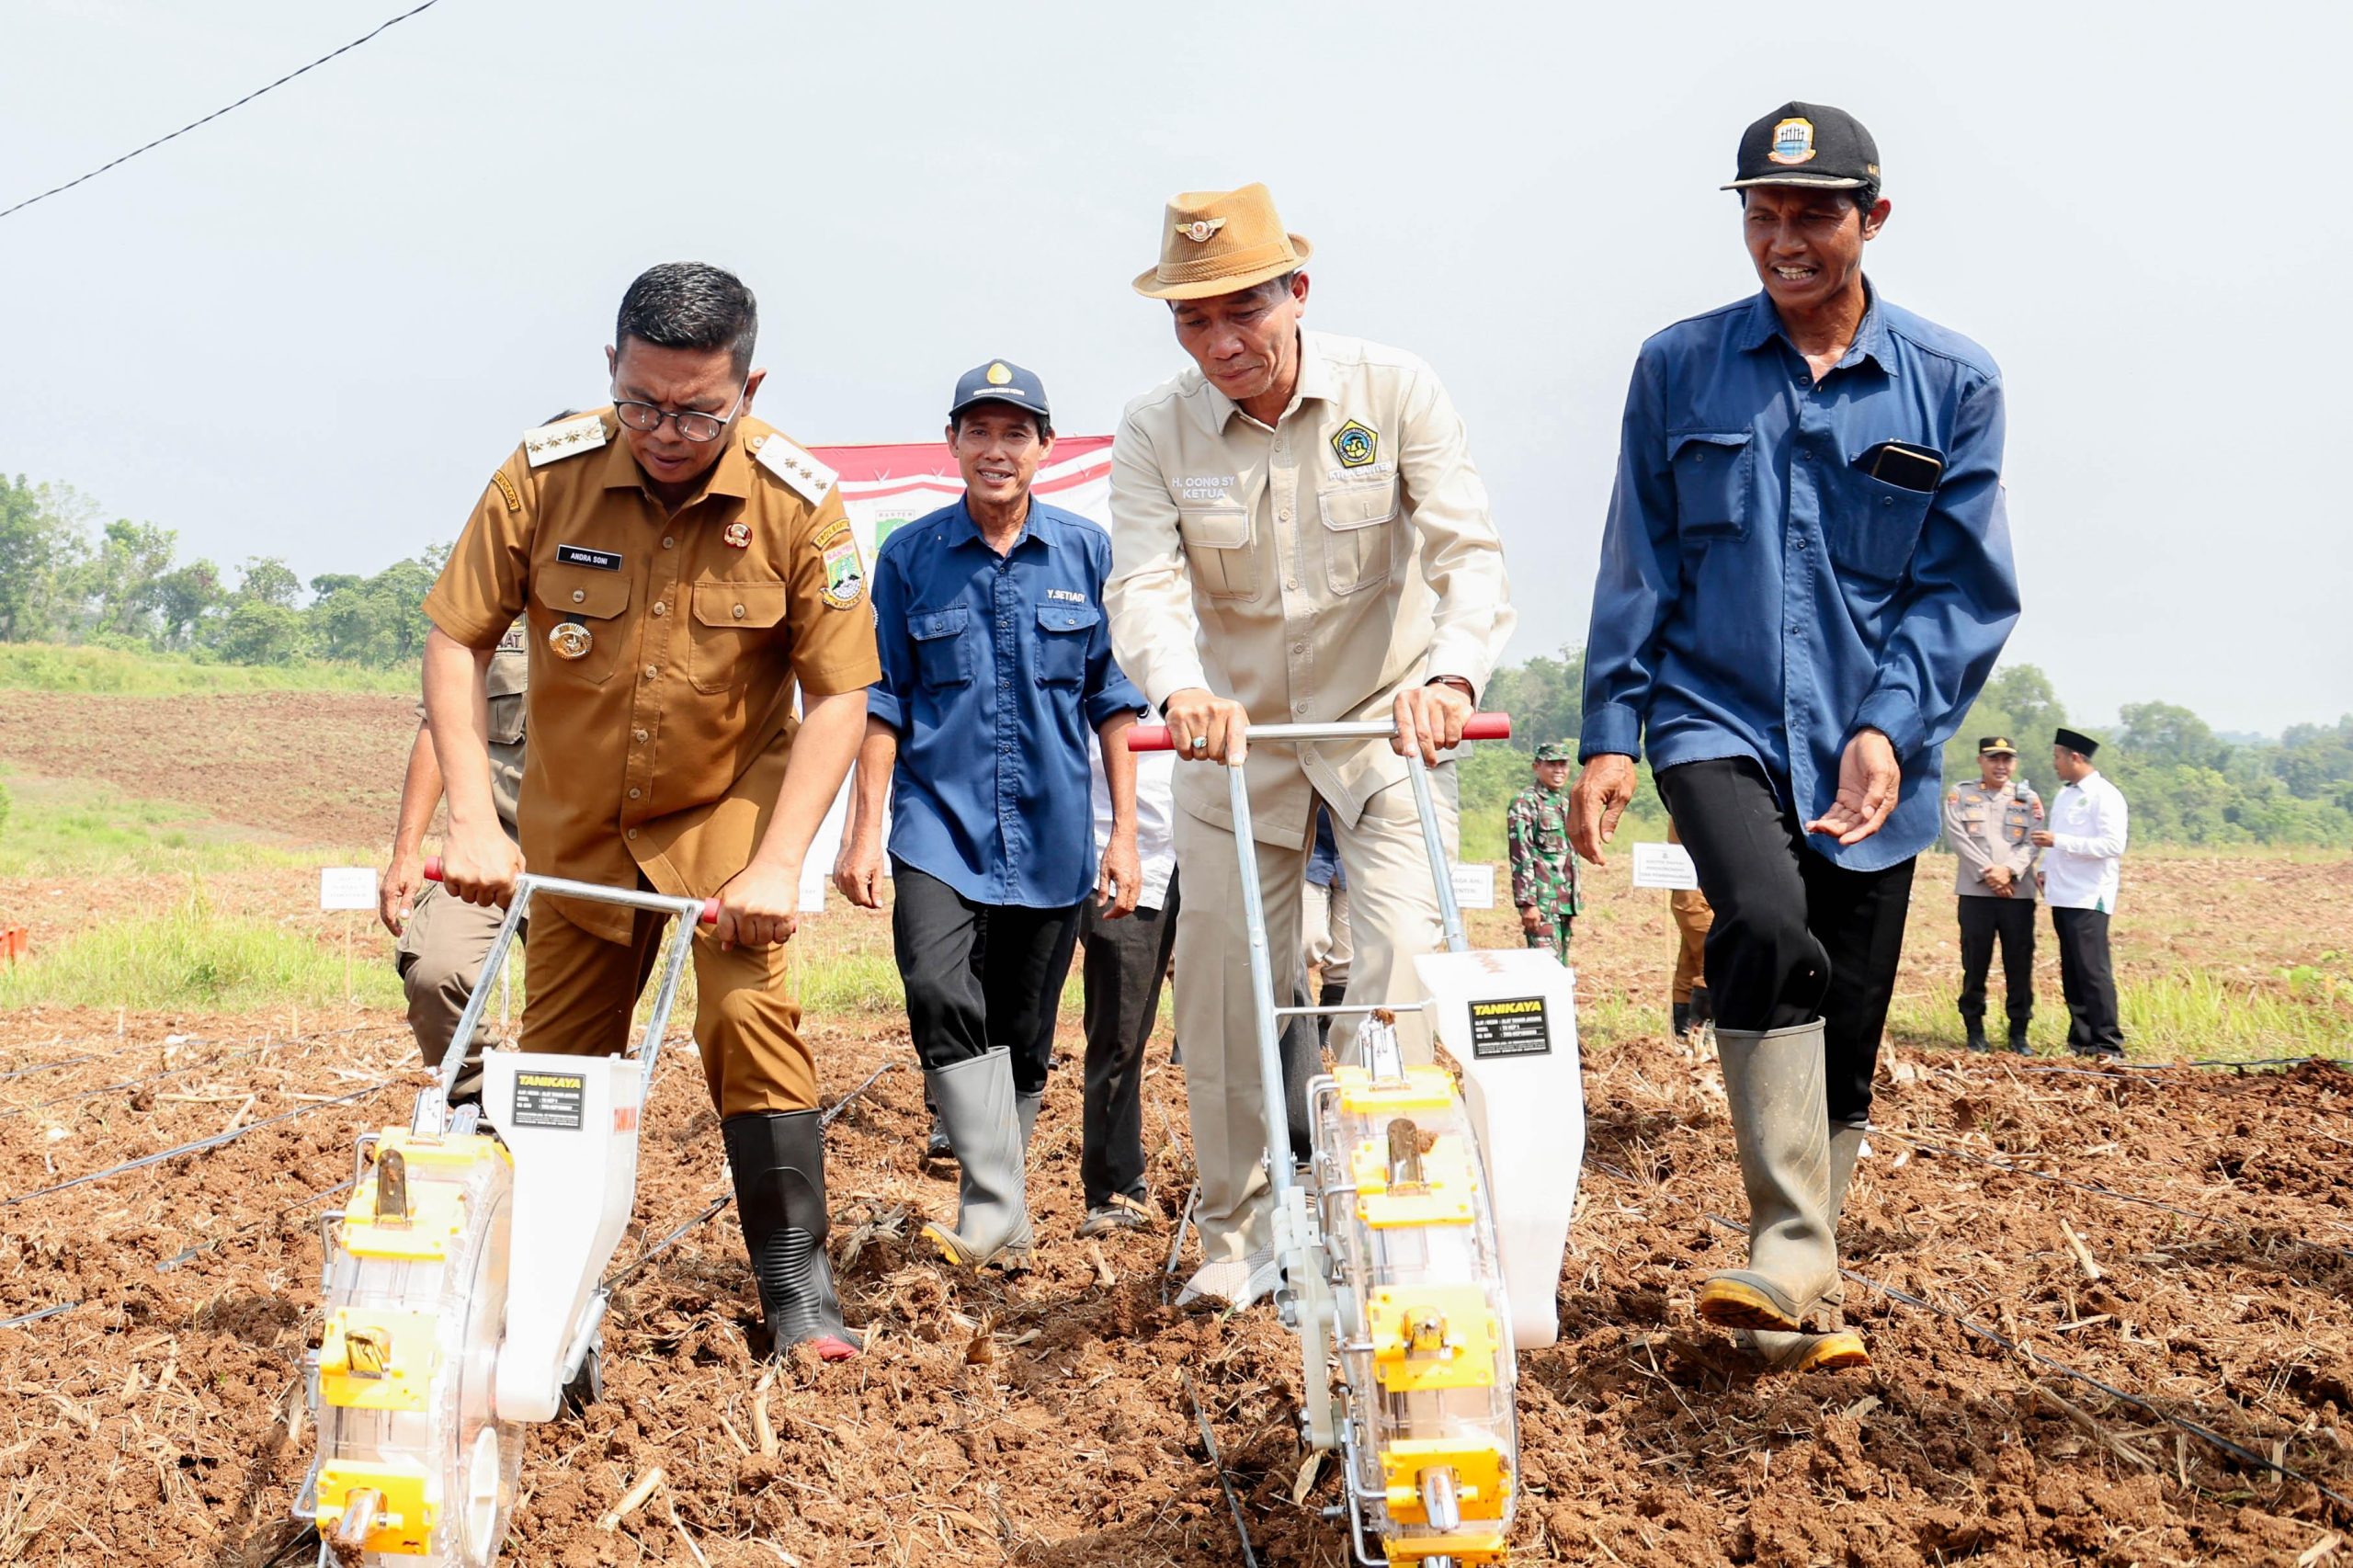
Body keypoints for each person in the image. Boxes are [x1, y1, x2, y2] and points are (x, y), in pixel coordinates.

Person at [1570, 104, 2019, 1373]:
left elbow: (1965, 588)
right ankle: (1784, 1238)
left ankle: (1803, 1293)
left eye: (1813, 213)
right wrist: (1611, 729)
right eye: (1762, 215)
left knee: (1851, 1024)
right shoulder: (1678, 367)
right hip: (1709, 716)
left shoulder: (1954, 383)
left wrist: (1889, 723)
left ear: (1872, 218)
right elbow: (1636, 557)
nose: (1784, 239)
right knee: (1761, 923)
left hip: (1873, 753)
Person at [422, 262, 879, 1361]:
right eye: (642, 402)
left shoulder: (796, 500)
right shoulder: (544, 477)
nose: (666, 430)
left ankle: (794, 1282)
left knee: (741, 1014)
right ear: (610, 371)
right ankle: (549, 1313)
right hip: (575, 827)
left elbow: (840, 695)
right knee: (562, 1071)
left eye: (698, 410)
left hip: (725, 822)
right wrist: (474, 822)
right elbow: (456, 635)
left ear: (750, 387)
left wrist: (780, 863)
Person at [1106, 182, 1517, 1306]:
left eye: (1242, 310)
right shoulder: (1156, 429)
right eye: (1192, 320)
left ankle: (1384, 1221)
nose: (1220, 342)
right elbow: (1141, 583)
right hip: (1232, 746)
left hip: (1382, 728)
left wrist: (1451, 674)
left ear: (1297, 290)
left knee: (1395, 974)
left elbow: (1466, 553)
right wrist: (1179, 686)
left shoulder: (1392, 391)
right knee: (1229, 996)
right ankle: (1239, 1240)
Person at [834, 359, 1145, 1270]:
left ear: (1044, 448)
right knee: (937, 987)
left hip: (1051, 832)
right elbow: (881, 701)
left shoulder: (1086, 553)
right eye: (979, 431)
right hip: (936, 819)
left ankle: (995, 1215)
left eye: (1016, 433)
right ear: (953, 444)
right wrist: (862, 831)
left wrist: (1121, 833)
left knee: (1023, 1031)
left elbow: (1113, 702)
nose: (996, 450)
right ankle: (992, 1189)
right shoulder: (911, 556)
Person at [381, 617, 529, 1101]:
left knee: (576, 1026)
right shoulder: (491, 618)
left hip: (586, 853)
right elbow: (437, 729)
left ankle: (552, 1130)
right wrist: (405, 855)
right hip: (487, 847)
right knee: (435, 973)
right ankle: (479, 1110)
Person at [1074, 711, 1179, 1238]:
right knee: (1119, 1028)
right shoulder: (1100, 635)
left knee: (1268, 1001)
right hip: (1119, 851)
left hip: (1220, 836)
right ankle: (1116, 1186)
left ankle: (1291, 1160)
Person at [2032, 728, 2129, 1059]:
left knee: (2093, 970)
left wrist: (2059, 842)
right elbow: (2057, 838)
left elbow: (2113, 845)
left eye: (2057, 757)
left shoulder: (2105, 795)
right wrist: (2046, 867)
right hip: (2062, 893)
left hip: (2089, 895)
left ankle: (2108, 1043)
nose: (2054, 763)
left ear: (2075, 757)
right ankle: (2081, 1040)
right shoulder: (2065, 794)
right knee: (2072, 971)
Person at [1944, 735, 2042, 1054]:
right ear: (1980, 761)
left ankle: (2018, 1033)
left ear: (2014, 763)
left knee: (2019, 964)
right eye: (1993, 759)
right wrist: (1991, 872)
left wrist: (2009, 871)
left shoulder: (2028, 799)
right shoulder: (1962, 794)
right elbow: (1958, 838)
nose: (2001, 766)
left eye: (2007, 760)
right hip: (1976, 893)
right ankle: (1975, 1031)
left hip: (2018, 894)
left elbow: (2034, 841)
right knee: (1975, 963)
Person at [1506, 743, 1581, 963]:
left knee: (1562, 967)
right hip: (1542, 902)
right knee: (1546, 968)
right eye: (1551, 765)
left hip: (1565, 902)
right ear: (1536, 767)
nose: (1558, 770)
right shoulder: (1525, 802)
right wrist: (1527, 903)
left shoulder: (1566, 803)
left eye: (1563, 765)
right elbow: (1521, 854)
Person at [1667, 820, 1714, 1039]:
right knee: (1713, 961)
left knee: (1689, 963)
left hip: (1692, 894)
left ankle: (1684, 1032)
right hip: (1696, 895)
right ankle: (1704, 1030)